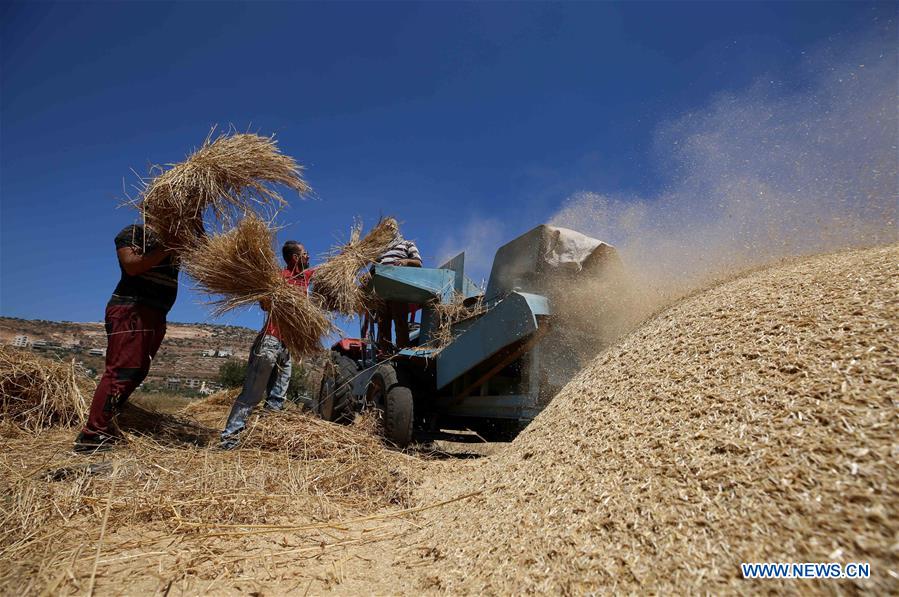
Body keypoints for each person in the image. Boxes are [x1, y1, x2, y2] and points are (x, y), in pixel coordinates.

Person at [74, 224, 178, 454]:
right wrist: (166, 248)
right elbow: (132, 266)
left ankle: (108, 421)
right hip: (132, 309)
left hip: (156, 313)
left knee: (138, 370)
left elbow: (200, 244)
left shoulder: (178, 238)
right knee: (121, 370)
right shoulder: (134, 232)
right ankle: (92, 434)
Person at [220, 241, 314, 450]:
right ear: (294, 258)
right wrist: (276, 296)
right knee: (252, 395)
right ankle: (229, 439)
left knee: (277, 399)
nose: (309, 257)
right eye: (305, 254)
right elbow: (263, 304)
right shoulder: (278, 278)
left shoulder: (305, 280)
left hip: (286, 346)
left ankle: (264, 440)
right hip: (270, 342)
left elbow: (326, 273)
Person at [375, 219, 422, 350]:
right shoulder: (381, 250)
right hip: (382, 290)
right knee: (382, 323)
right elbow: (373, 266)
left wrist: (405, 261)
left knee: (400, 319)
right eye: (386, 228)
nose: (389, 230)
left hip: (398, 288)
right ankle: (385, 354)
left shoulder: (407, 244)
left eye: (391, 227)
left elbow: (418, 262)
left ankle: (403, 350)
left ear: (396, 229)